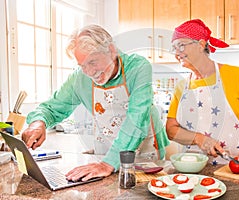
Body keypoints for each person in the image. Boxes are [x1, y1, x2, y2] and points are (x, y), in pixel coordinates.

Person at [21, 24, 170, 181]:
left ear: (112, 50)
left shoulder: (138, 67)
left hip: (145, 154)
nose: (89, 72)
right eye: (82, 65)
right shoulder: (80, 77)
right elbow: (52, 107)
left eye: (93, 62)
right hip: (105, 157)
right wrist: (38, 122)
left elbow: (137, 119)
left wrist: (109, 163)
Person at [166, 19, 239, 171]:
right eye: (174, 48)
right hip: (194, 171)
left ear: (201, 45)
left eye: (181, 45)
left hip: (235, 168)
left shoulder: (234, 75)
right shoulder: (181, 87)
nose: (176, 53)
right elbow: (171, 129)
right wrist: (199, 138)